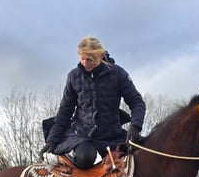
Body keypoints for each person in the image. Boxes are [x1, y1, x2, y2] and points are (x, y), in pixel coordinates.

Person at [39, 36, 145, 168]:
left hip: (111, 136)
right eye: (82, 58)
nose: (84, 63)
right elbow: (65, 111)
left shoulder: (117, 74)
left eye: (89, 59)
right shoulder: (74, 76)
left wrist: (135, 127)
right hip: (82, 135)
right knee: (86, 158)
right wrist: (52, 140)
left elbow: (137, 102)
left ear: (100, 56)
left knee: (140, 157)